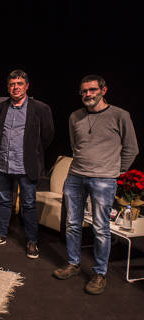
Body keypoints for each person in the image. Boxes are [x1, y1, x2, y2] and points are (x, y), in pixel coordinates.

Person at [53, 75, 139, 294]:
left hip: (104, 180)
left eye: (91, 90)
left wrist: (115, 171)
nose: (87, 95)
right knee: (72, 224)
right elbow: (75, 145)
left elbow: (131, 148)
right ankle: (73, 263)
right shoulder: (75, 117)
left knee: (101, 228)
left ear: (103, 90)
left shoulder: (120, 115)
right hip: (75, 177)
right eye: (83, 91)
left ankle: (100, 273)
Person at [0, 69, 54, 259]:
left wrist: (33, 152)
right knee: (4, 201)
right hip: (3, 164)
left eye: (19, 84)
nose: (15, 87)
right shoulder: (0, 108)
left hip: (26, 166)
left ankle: (32, 241)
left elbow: (47, 136)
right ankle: (1, 234)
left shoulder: (40, 108)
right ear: (8, 87)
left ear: (27, 86)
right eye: (12, 84)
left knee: (29, 204)